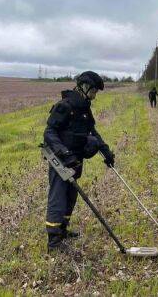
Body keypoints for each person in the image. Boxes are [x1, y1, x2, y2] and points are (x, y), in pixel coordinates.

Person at [43, 71, 115, 253]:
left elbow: (93, 133)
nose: (94, 95)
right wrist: (64, 153)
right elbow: (49, 133)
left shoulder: (85, 109)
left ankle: (63, 229)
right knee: (58, 197)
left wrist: (105, 150)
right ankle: (54, 242)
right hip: (60, 159)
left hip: (76, 158)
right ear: (83, 87)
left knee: (71, 195)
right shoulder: (64, 106)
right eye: (93, 91)